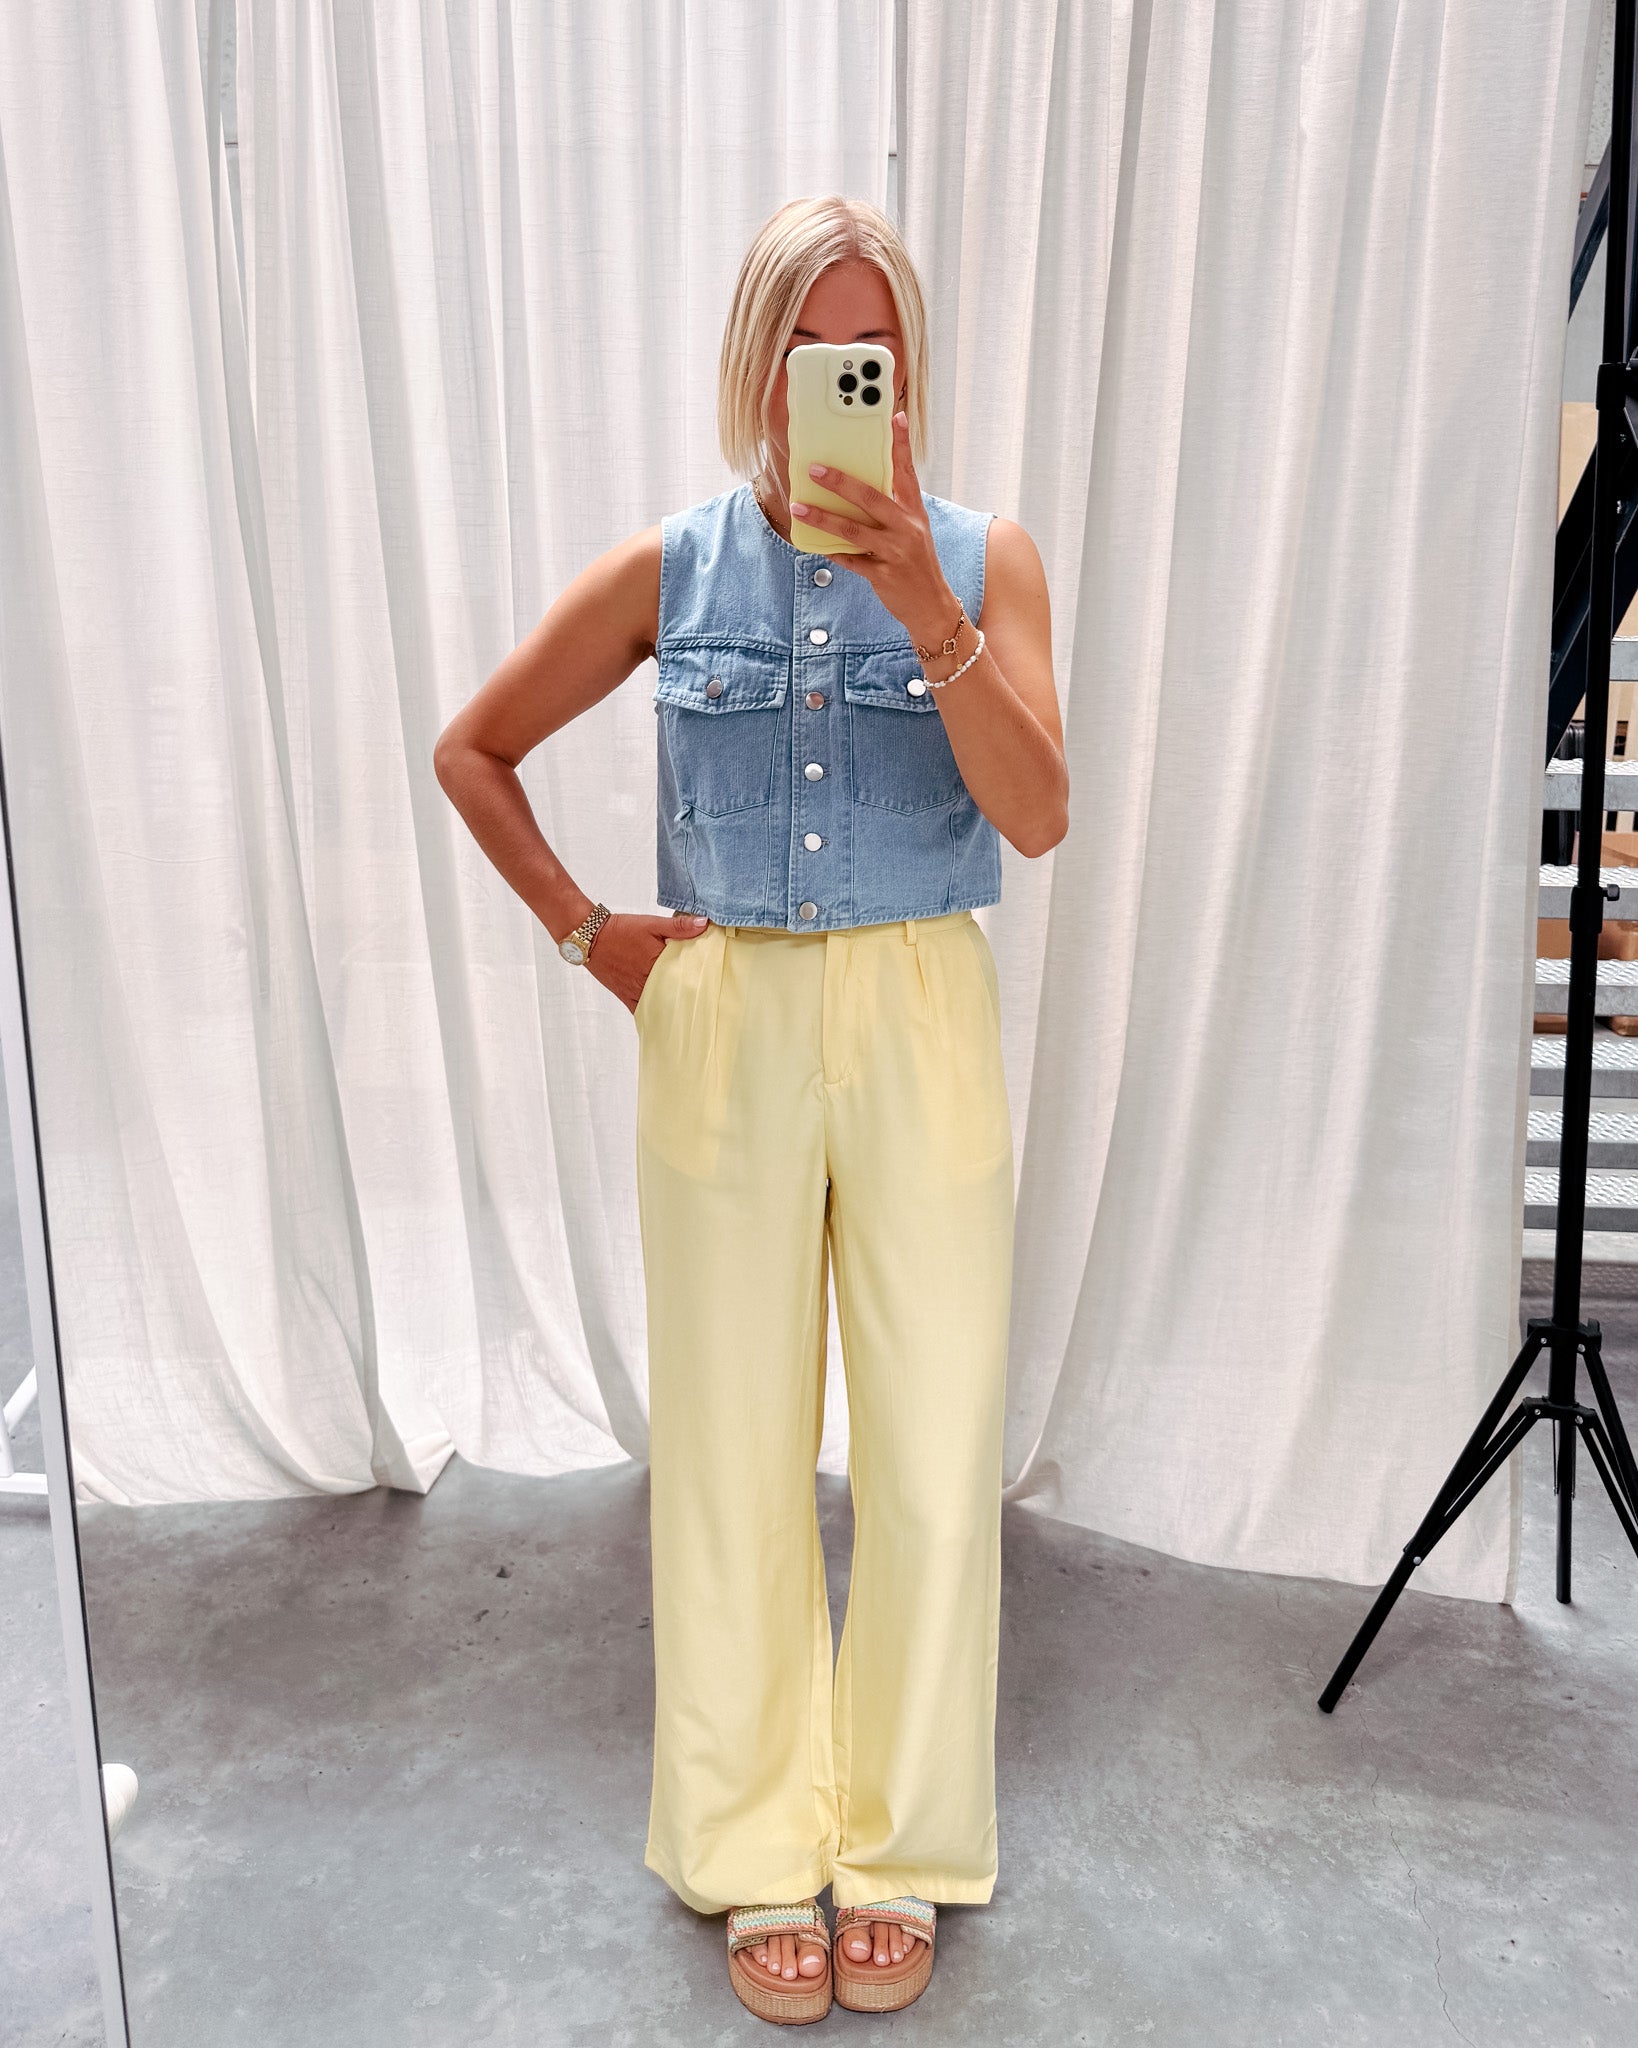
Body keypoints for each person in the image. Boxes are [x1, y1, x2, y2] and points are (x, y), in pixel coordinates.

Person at [434, 194, 1066, 2023]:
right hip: (723, 1024)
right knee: (728, 1453)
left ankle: (906, 1842)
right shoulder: (673, 568)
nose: (844, 380)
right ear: (758, 367)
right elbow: (473, 748)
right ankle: (746, 1844)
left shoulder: (986, 558)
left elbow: (1037, 816)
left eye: (873, 351)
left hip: (921, 1008)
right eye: (811, 353)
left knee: (934, 1450)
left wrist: (922, 601)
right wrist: (590, 934)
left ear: (908, 369)